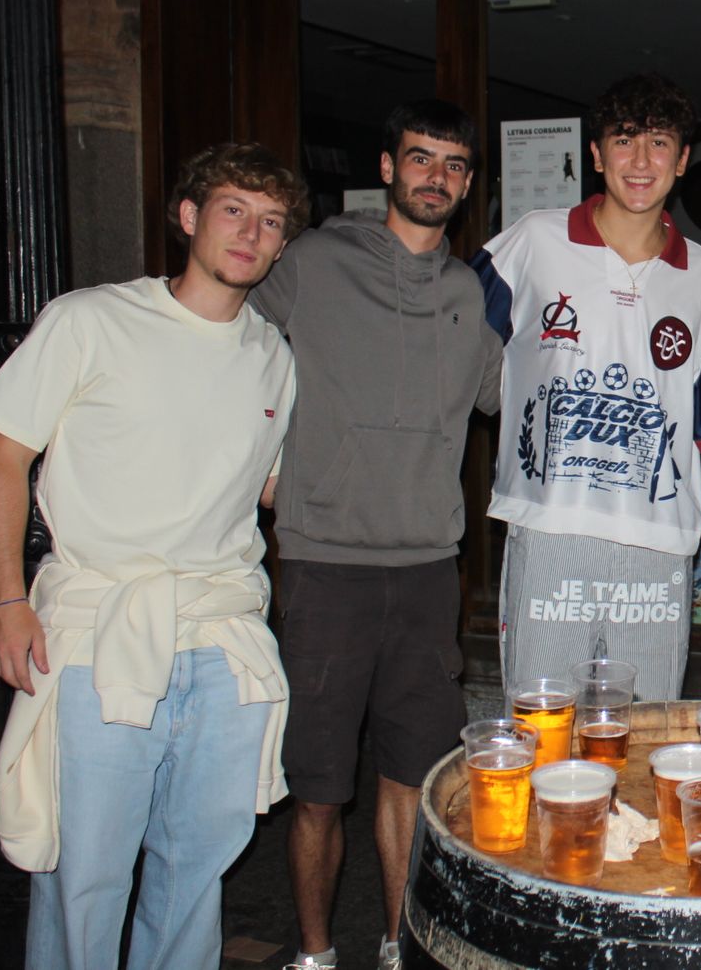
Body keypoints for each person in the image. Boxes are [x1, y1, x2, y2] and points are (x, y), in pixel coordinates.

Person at [0, 142, 307, 970]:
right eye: (233, 210)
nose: (251, 233)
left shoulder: (274, 354)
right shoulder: (90, 319)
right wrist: (4, 598)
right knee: (83, 872)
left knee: (198, 869)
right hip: (100, 630)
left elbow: (273, 489)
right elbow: (6, 453)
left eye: (270, 223)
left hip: (222, 637)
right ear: (190, 218)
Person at [251, 99, 502, 970]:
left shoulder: (470, 292)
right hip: (326, 570)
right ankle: (317, 953)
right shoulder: (314, 260)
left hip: (431, 573)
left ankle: (401, 944)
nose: (437, 175)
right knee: (318, 788)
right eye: (421, 158)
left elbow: (504, 401)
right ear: (388, 167)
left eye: (454, 164)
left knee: (413, 779)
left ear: (468, 183)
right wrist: (256, 464)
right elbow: (230, 342)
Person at [471, 73, 701, 703]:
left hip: (655, 541)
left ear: (681, 161)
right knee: (543, 729)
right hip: (550, 531)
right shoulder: (533, 241)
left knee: (643, 739)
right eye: (623, 141)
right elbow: (452, 338)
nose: (640, 161)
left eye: (658, 143)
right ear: (595, 155)